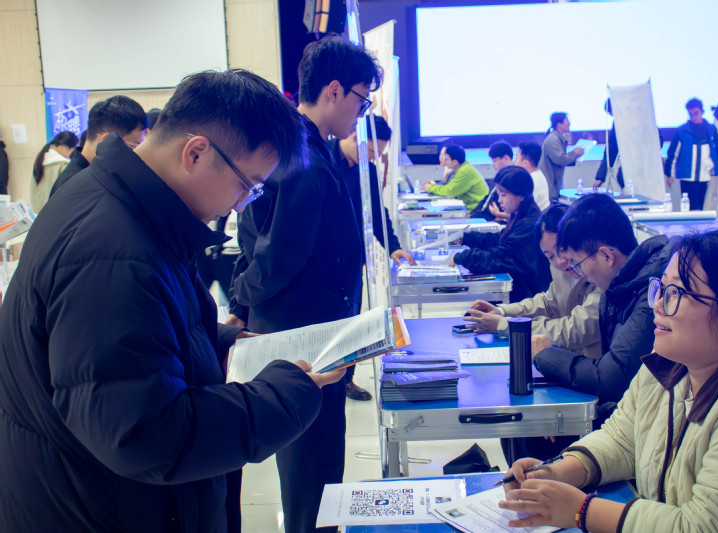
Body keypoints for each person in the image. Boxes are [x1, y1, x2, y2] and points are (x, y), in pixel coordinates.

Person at [0, 69, 347, 532]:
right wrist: (285, 394)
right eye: (248, 184)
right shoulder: (111, 251)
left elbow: (143, 336)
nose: (242, 204)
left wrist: (226, 344)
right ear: (196, 152)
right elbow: (145, 434)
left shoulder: (124, 207)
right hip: (100, 510)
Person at [501, 230, 718, 532]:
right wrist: (557, 472)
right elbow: (623, 438)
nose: (657, 305)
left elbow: (708, 527)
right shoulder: (672, 362)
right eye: (661, 288)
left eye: (677, 294)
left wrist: (581, 510)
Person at [228, 35, 382, 533]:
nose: (362, 111)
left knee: (310, 465)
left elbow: (258, 242)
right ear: (334, 90)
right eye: (361, 98)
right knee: (312, 469)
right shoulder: (305, 159)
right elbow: (277, 256)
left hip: (304, 329)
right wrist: (241, 301)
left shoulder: (299, 146)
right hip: (306, 336)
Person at [520, 193, 677, 462]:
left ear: (606, 255)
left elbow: (611, 378)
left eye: (578, 264)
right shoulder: (620, 288)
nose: (579, 274)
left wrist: (545, 354)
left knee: (531, 433)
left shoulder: (648, 293)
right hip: (627, 411)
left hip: (645, 424)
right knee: (531, 427)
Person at [329, 114, 414, 401]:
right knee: (327, 323)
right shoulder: (322, 159)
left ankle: (346, 380)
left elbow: (378, 213)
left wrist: (393, 247)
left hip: (353, 262)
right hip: (323, 264)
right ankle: (323, 381)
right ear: (356, 136)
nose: (372, 158)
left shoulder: (368, 170)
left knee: (353, 320)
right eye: (370, 150)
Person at [464, 202, 601, 357]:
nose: (560, 261)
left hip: (587, 363)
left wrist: (504, 325)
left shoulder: (599, 278)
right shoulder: (563, 267)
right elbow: (548, 302)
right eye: (550, 256)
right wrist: (502, 311)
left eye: (563, 249)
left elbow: (574, 329)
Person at [448, 166, 551, 302]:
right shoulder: (522, 214)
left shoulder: (528, 225)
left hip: (525, 297)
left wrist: (463, 257)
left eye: (503, 195)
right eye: (498, 194)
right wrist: (466, 238)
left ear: (520, 195)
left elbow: (498, 259)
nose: (499, 200)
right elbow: (500, 239)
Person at [49, 95, 148, 198]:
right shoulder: (76, 185)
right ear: (107, 141)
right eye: (133, 146)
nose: (135, 154)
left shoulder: (94, 175)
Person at [664, 98, 718, 210]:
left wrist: (711, 164)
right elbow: (672, 153)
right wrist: (669, 174)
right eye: (690, 114)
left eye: (696, 113)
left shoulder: (711, 130)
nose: (693, 117)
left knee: (701, 206)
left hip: (704, 174)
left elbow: (717, 149)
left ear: (702, 112)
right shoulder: (682, 131)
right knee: (691, 207)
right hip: (687, 176)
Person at [423, 144, 489, 212]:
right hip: (470, 207)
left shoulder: (464, 172)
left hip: (474, 210)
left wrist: (429, 187)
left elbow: (449, 191)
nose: (444, 160)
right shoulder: (463, 168)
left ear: (455, 162)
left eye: (446, 159)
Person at [540, 112, 585, 202]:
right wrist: (574, 153)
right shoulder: (553, 140)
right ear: (559, 124)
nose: (569, 123)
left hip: (553, 185)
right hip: (550, 186)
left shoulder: (556, 138)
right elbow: (560, 159)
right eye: (567, 120)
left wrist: (576, 155)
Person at [29, 130, 78, 212]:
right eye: (72, 150)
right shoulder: (63, 165)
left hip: (37, 212)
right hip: (54, 213)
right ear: (65, 147)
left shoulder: (40, 160)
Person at [471, 140, 513, 221]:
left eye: (495, 160)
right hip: (489, 216)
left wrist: (501, 216)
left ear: (506, 158)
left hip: (496, 219)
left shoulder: (514, 177)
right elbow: (486, 200)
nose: (493, 164)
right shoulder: (499, 176)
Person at [593, 98, 625, 192]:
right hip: (631, 166)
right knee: (622, 177)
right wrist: (601, 177)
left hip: (648, 163)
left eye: (610, 113)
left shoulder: (642, 116)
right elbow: (611, 149)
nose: (611, 115)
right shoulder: (617, 123)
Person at [514, 141, 551, 211]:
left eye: (516, 157)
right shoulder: (538, 174)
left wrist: (499, 214)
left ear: (525, 163)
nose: (514, 161)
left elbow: (522, 212)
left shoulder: (530, 182)